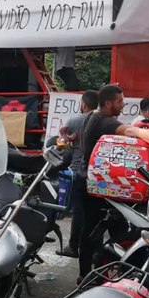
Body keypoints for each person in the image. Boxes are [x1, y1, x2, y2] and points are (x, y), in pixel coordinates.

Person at [77, 84, 131, 279]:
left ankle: (88, 272)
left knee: (93, 229)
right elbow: (132, 132)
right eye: (120, 101)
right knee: (112, 229)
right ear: (108, 103)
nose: (122, 105)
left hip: (88, 180)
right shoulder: (105, 121)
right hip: (95, 185)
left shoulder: (91, 116)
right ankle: (94, 273)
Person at [56, 91, 99, 258]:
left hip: (77, 171)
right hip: (97, 173)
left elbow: (62, 147)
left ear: (84, 104)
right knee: (95, 213)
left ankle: (73, 246)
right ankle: (95, 250)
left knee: (79, 213)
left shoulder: (74, 121)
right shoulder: (104, 122)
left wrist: (62, 138)